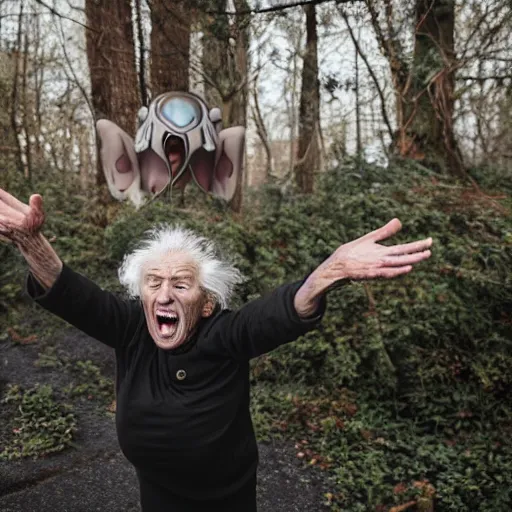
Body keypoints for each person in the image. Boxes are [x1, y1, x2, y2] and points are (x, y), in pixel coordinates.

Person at [0, 187, 432, 511]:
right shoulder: (131, 328)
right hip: (158, 494)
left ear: (206, 303)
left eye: (180, 284)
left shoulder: (224, 334)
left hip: (225, 499)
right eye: (154, 283)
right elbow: (73, 294)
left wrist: (327, 273)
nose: (164, 294)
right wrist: (31, 243)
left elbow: (271, 317)